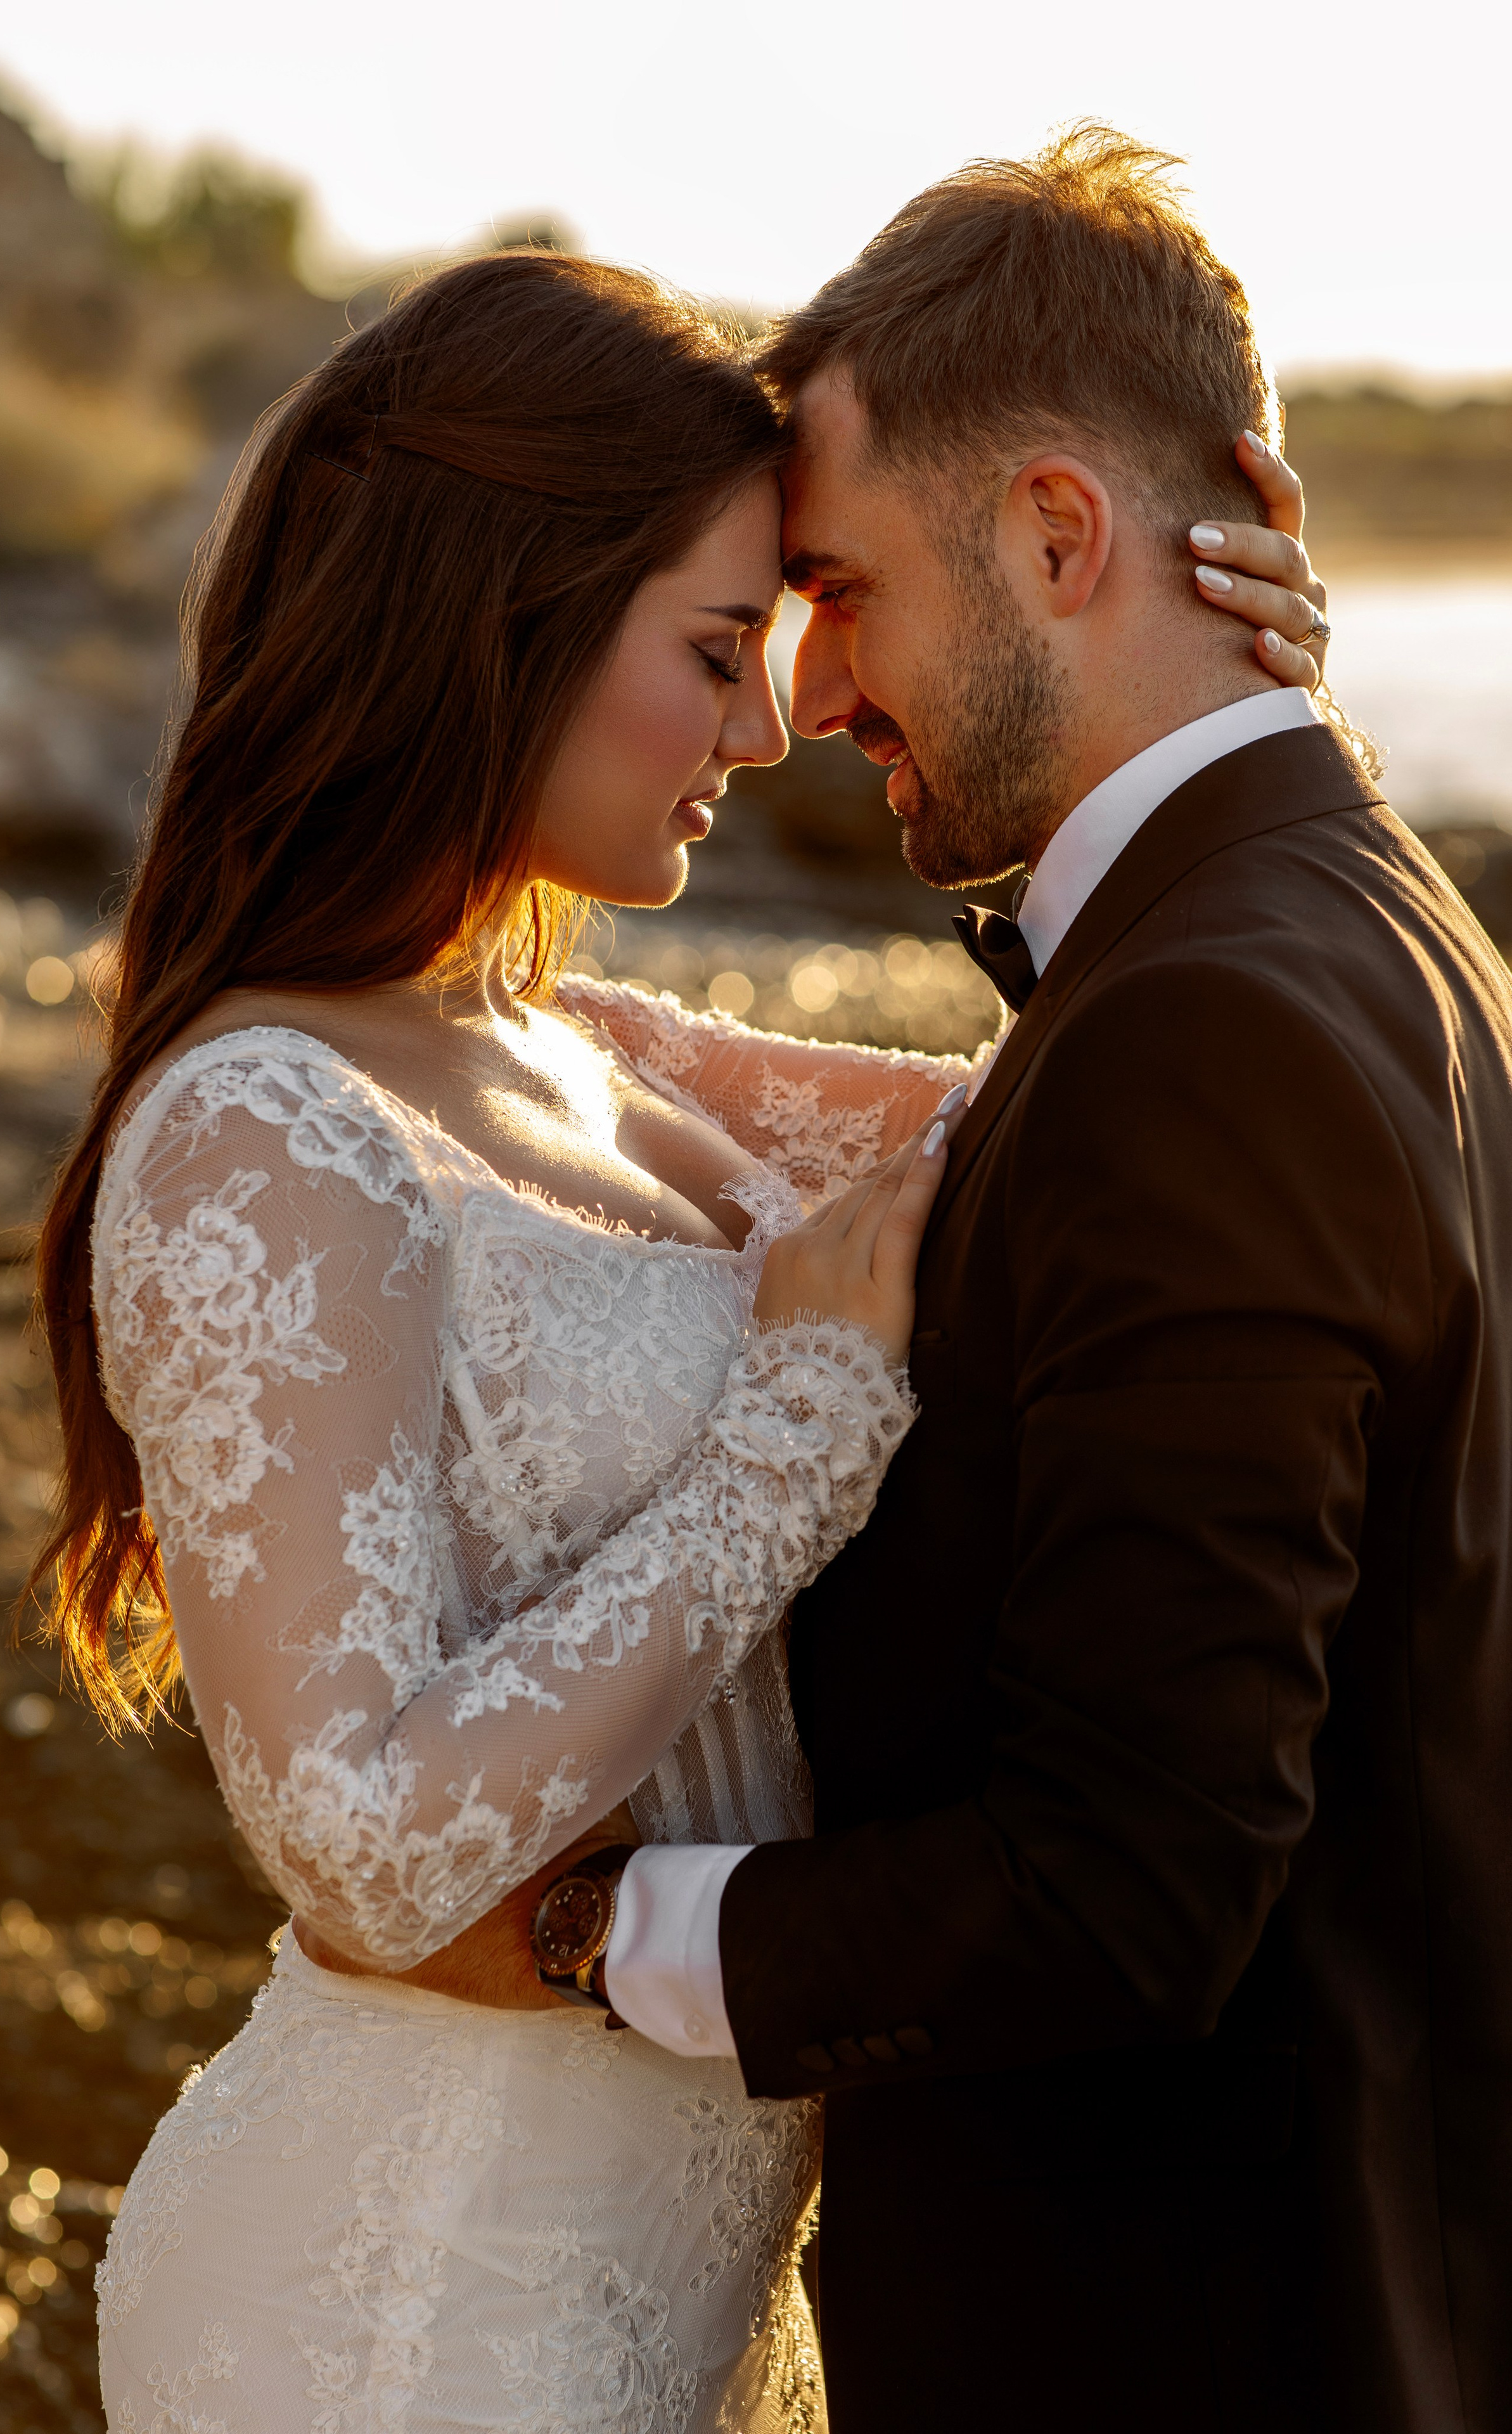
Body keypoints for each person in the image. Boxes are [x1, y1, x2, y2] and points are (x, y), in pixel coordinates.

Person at [30, 244, 1325, 2428]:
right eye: (719, 649)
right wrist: (795, 1429)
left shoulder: (588, 1049)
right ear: (503, 618)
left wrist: (1235, 710)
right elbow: (357, 1843)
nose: (765, 725)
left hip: (688, 2272)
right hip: (408, 2300)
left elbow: (1123, 1109)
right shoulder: (257, 1129)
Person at [606, 131, 1512, 2433]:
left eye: (842, 587)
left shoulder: (1213, 1023)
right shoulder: (1394, 926)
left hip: (1183, 2342)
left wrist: (584, 1943)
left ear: (1055, 532)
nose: (808, 696)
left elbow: (1132, 1880)